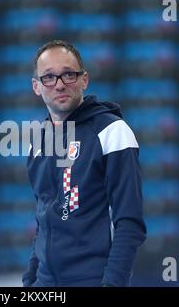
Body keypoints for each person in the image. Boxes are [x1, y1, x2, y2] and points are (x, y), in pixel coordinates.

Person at [22, 40, 147, 287]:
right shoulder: (37, 142)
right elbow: (44, 221)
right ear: (36, 86)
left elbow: (129, 223)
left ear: (84, 80)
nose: (59, 84)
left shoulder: (112, 132)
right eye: (49, 77)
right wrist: (30, 281)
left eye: (68, 74)